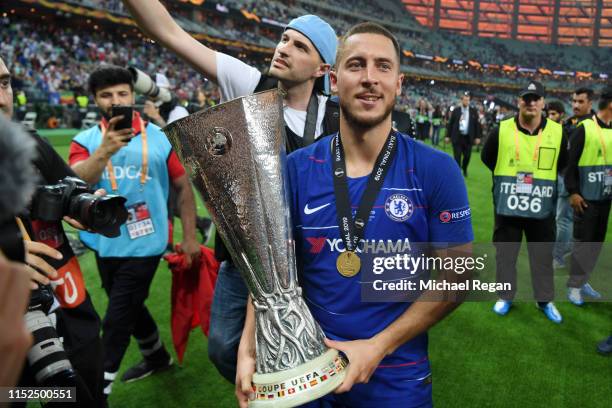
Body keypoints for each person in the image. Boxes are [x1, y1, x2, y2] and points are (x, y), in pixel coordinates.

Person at [236, 22, 474, 408]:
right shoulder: (293, 170)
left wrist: (377, 346)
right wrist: (249, 347)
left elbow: (459, 275)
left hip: (397, 374)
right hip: (305, 367)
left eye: (382, 67)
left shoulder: (436, 170)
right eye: (356, 65)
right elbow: (271, 272)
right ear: (332, 79)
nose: (369, 78)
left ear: (398, 84)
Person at [121, 0, 340, 383]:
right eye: (284, 39)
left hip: (308, 256)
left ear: (323, 69)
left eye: (300, 46)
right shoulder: (250, 83)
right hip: (245, 256)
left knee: (311, 341)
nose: (284, 48)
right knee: (223, 346)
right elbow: (168, 32)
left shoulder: (336, 115)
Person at [68, 64, 199, 398]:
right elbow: (73, 184)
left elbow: (183, 187)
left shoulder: (159, 137)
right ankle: (156, 355)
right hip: (103, 241)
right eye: (106, 95)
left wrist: (188, 236)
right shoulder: (85, 141)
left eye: (122, 93)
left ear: (132, 95)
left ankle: (99, 388)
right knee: (127, 304)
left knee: (117, 316)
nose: (115, 100)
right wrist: (105, 150)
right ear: (95, 100)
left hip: (148, 241)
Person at [1, 56, 106, 405]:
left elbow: (73, 188)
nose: (2, 98)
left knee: (86, 392)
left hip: (68, 306)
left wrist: (87, 208)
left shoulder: (29, 143)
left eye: (4, 83)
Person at [481, 81, 568, 323]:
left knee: (541, 255)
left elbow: (563, 163)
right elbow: (488, 157)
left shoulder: (557, 132)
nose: (530, 102)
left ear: (542, 102)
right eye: (526, 98)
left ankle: (544, 301)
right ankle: (505, 296)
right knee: (505, 254)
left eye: (535, 98)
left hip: (541, 207)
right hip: (508, 206)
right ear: (519, 101)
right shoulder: (502, 129)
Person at [564, 86, 612, 306]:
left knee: (595, 244)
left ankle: (583, 281)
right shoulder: (584, 128)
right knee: (583, 244)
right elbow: (569, 165)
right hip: (585, 199)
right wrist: (573, 192)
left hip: (605, 198)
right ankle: (574, 286)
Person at [545, 100, 573, 269]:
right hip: (551, 177)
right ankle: (563, 248)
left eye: (554, 114)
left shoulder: (569, 130)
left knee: (562, 219)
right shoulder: (547, 131)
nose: (550, 117)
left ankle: (559, 257)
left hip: (565, 178)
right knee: (554, 217)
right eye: (549, 114)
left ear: (561, 114)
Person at [446, 91, 481, 177]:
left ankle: (464, 168)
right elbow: (451, 123)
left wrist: (477, 137)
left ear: (469, 101)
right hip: (457, 137)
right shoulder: (456, 110)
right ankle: (458, 173)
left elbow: (477, 125)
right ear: (462, 100)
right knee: (457, 157)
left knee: (467, 156)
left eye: (468, 100)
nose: (466, 102)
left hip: (468, 138)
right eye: (465, 100)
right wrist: (447, 136)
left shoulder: (473, 112)